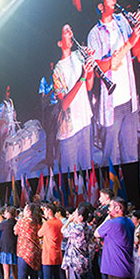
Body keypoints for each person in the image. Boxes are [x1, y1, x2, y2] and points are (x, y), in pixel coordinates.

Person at [87, 0, 140, 167]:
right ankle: (108, 195)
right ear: (100, 5)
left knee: (131, 156)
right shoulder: (94, 34)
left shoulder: (122, 20)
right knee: (109, 159)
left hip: (129, 100)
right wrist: (129, 42)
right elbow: (100, 69)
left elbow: (137, 51)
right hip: (111, 106)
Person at [52, 24, 94, 171]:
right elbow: (64, 105)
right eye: (66, 31)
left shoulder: (79, 55)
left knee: (88, 171)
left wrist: (90, 68)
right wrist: (82, 77)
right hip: (69, 131)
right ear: (59, 42)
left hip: (85, 121)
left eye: (71, 29)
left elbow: (89, 86)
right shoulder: (57, 70)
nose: (71, 32)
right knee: (72, 176)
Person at [95, 197, 135, 279]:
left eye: (111, 207)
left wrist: (107, 218)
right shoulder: (128, 222)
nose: (108, 209)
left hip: (116, 268)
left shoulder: (114, 223)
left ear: (118, 208)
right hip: (123, 266)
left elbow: (97, 233)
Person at [62, 203, 97, 279]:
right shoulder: (89, 228)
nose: (73, 215)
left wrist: (69, 220)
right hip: (86, 262)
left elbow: (63, 231)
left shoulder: (77, 228)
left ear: (81, 217)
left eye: (76, 213)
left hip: (76, 263)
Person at [11, 204, 43, 279]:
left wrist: (20, 219)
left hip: (24, 252)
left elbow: (15, 231)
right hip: (35, 252)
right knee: (34, 278)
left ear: (29, 211)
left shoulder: (23, 221)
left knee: (22, 278)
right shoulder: (39, 222)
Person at [36, 203, 64, 279]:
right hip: (57, 254)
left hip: (48, 255)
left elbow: (39, 234)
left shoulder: (48, 223)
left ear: (49, 211)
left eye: (45, 210)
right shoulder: (59, 222)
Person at [0, 207, 19, 279]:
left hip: (6, 250)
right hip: (15, 249)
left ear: (9, 214)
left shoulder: (5, 223)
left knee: (6, 274)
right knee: (15, 274)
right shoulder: (16, 222)